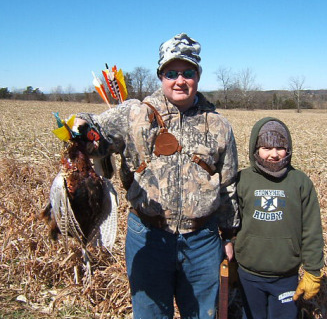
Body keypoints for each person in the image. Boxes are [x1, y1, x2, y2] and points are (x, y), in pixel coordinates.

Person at [74, 33, 239, 319]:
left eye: (188, 72)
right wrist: (80, 126)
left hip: (203, 240)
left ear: (198, 76)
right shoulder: (134, 114)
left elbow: (228, 185)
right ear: (160, 75)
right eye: (171, 72)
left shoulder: (218, 124)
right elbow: (94, 136)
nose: (180, 80)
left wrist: (229, 235)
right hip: (148, 236)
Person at [234, 117, 324, 319]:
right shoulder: (243, 180)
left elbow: (312, 229)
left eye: (280, 148)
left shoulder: (300, 182)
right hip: (248, 274)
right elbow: (232, 225)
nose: (274, 154)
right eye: (266, 147)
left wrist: (313, 270)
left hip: (285, 276)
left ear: (288, 148)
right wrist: (229, 262)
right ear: (255, 149)